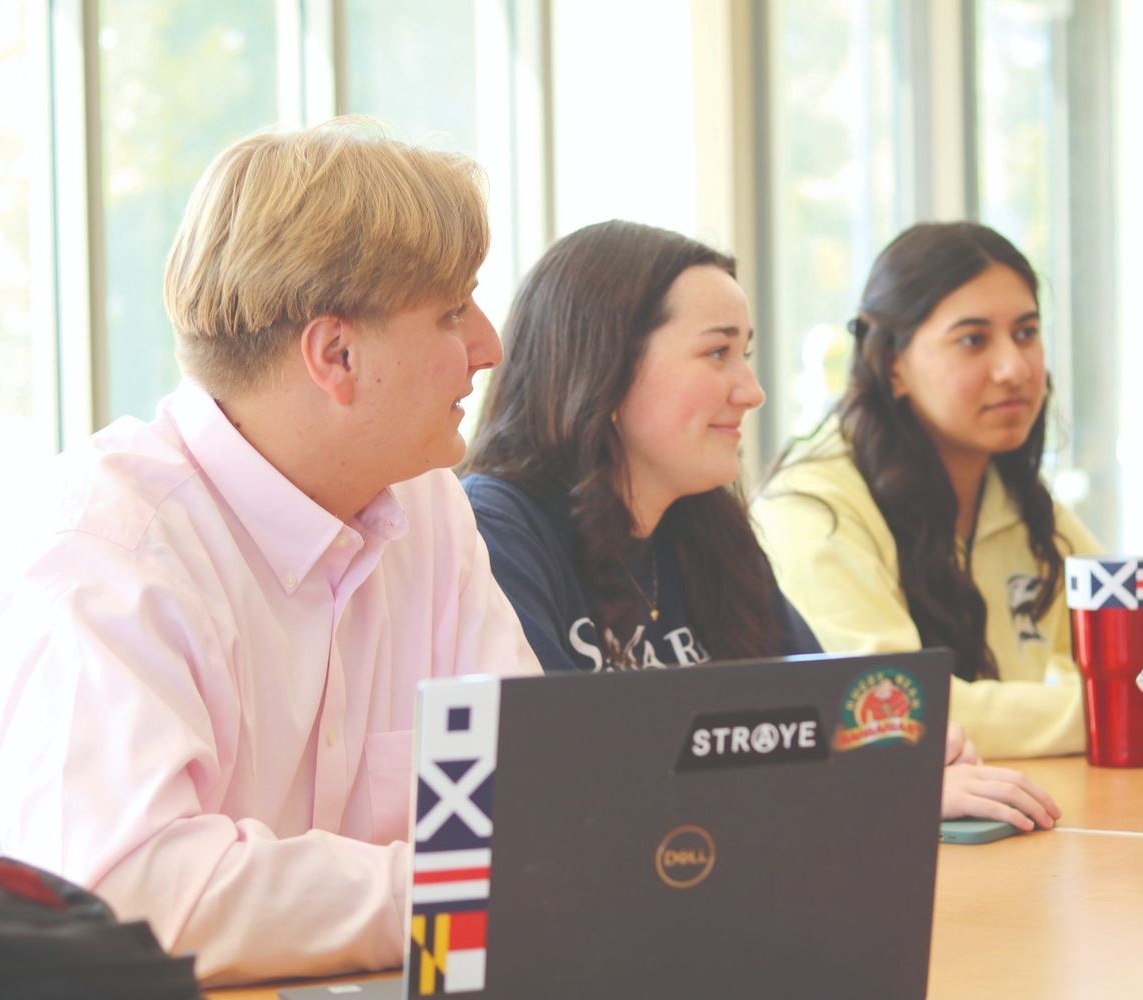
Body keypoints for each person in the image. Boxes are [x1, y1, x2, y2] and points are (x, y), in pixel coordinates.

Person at [0, 118, 541, 986]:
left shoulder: (426, 503)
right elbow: (130, 899)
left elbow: (529, 805)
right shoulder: (106, 552)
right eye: (452, 310)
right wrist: (443, 890)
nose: (488, 345)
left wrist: (464, 889)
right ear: (337, 354)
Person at [460, 219, 1059, 830]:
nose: (751, 391)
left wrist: (909, 758)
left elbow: (837, 722)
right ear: (605, 368)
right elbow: (569, 783)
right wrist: (874, 786)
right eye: (717, 353)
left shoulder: (706, 526)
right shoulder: (494, 530)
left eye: (742, 354)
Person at [754, 221, 1102, 761]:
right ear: (893, 365)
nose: (1014, 367)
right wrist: (1106, 712)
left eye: (1027, 333)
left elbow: (1120, 625)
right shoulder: (812, 507)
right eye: (973, 340)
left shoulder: (1014, 495)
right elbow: (890, 710)